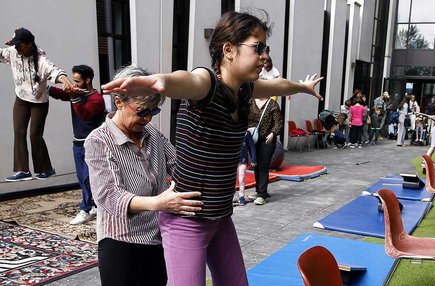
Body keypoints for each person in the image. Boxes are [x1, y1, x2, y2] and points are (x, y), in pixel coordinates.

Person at [100, 11, 323, 286]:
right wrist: (162, 81)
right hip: (187, 220)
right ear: (229, 50)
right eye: (257, 47)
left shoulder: (244, 90)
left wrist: (303, 87)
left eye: (266, 48)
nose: (264, 55)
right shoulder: (207, 84)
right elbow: (187, 80)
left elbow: (277, 84)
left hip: (220, 218)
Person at [85, 65, 203, 286]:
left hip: (157, 238)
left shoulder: (152, 134)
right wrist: (159, 203)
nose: (148, 118)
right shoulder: (99, 140)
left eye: (153, 111)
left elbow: (179, 166)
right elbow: (109, 197)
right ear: (119, 101)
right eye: (142, 111)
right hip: (120, 243)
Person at [1, 28, 80, 181]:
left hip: (39, 102)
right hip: (21, 99)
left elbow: (55, 71)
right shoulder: (13, 52)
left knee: (34, 135)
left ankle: (45, 168)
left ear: (29, 44)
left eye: (19, 45)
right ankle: (22, 170)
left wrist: (67, 82)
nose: (16, 47)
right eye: (15, 45)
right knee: (19, 132)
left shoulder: (40, 60)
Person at [48, 65, 105, 224]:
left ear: (87, 80)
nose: (74, 84)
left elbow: (85, 115)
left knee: (88, 178)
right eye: (73, 81)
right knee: (82, 178)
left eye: (77, 81)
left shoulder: (97, 99)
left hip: (93, 144)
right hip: (77, 143)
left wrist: (73, 97)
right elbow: (59, 94)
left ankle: (85, 209)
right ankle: (93, 206)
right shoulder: (76, 92)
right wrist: (44, 87)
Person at [247, 97, 282, 205]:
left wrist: (273, 133)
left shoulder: (272, 104)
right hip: (252, 139)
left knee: (263, 166)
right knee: (256, 166)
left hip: (267, 140)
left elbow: (278, 122)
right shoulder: (250, 102)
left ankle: (262, 194)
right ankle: (258, 191)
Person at [236, 131, 257, 206]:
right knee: (230, 179)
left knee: (242, 179)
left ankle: (241, 197)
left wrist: (254, 158)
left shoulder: (246, 133)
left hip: (243, 160)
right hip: (231, 159)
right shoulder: (229, 130)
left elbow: (252, 146)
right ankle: (228, 197)